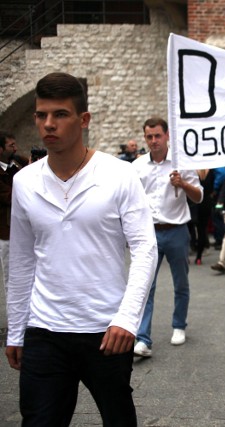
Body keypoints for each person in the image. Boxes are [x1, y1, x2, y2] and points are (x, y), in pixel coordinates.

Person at [4, 72, 158, 425]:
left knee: (118, 419)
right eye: (41, 116)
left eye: (60, 114)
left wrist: (127, 319)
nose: (48, 124)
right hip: (45, 330)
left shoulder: (119, 175)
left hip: (106, 330)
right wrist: (17, 329)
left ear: (83, 119)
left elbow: (144, 248)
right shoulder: (25, 182)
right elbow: (23, 259)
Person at [133, 117, 203, 357]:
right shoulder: (138, 165)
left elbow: (199, 197)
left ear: (167, 136)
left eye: (157, 136)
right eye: (149, 137)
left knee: (180, 282)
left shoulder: (181, 163)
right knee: (145, 285)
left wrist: (182, 183)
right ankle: (143, 338)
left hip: (176, 231)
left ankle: (179, 325)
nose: (154, 141)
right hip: (149, 232)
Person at [0, 131, 21, 289]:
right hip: (6, 230)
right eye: (11, 145)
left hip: (22, 227)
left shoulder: (17, 163)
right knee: (11, 275)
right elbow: (9, 196)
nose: (15, 148)